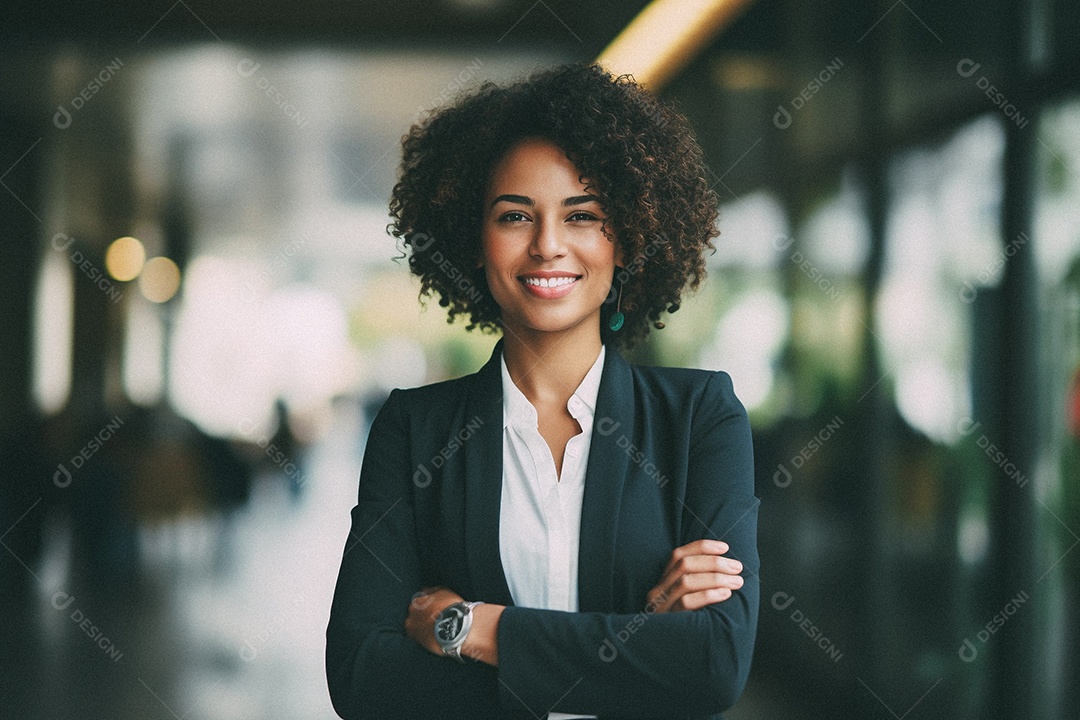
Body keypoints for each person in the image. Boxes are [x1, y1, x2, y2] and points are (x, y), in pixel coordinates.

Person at [326, 63, 759, 720]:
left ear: (626, 238)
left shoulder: (699, 419)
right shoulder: (413, 429)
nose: (548, 245)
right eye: (515, 215)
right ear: (475, 240)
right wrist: (637, 641)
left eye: (582, 215)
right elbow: (362, 678)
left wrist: (470, 629)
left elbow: (714, 666)